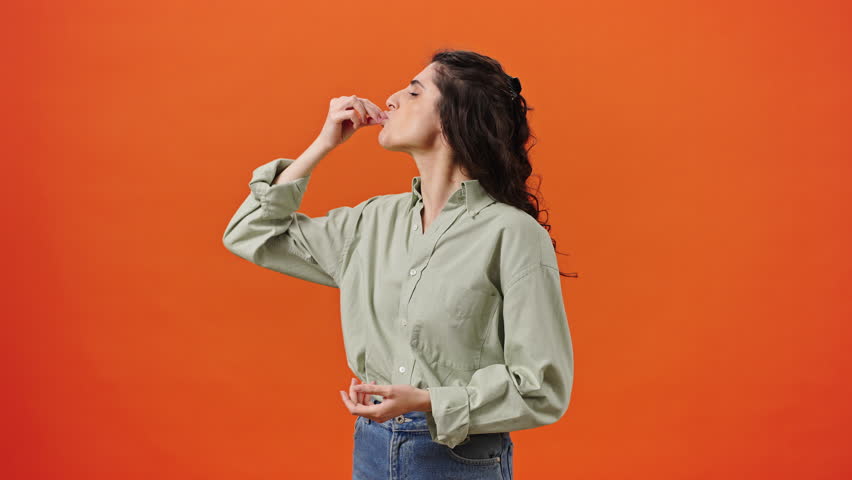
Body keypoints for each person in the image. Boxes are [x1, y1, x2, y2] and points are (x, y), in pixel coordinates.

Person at [222, 48, 574, 480]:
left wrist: (428, 402)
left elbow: (543, 389)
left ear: (452, 119)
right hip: (372, 445)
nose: (390, 99)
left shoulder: (513, 235)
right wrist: (321, 145)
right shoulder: (371, 222)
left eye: (412, 92)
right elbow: (249, 232)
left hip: (458, 457)